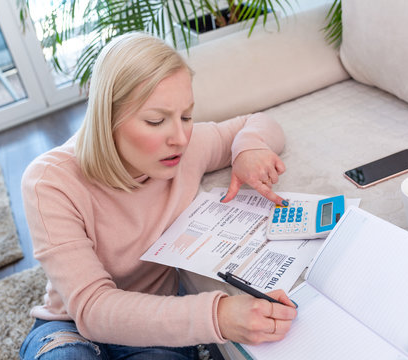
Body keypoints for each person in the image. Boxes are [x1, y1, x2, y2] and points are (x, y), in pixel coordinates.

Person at [19, 32, 297, 360]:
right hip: (70, 326)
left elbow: (260, 121)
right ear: (106, 119)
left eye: (186, 116)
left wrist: (247, 148)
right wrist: (219, 316)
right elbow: (93, 308)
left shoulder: (187, 148)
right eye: (156, 120)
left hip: (156, 326)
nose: (179, 138)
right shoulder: (50, 181)